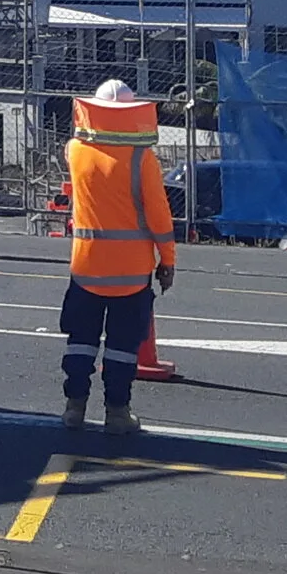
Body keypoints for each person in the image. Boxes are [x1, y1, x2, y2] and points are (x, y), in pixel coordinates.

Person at [60, 77, 177, 434]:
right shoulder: (143, 158)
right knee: (123, 348)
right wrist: (167, 260)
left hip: (86, 265)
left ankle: (74, 407)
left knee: (80, 341)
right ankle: (117, 413)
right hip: (132, 272)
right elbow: (158, 213)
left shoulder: (75, 150)